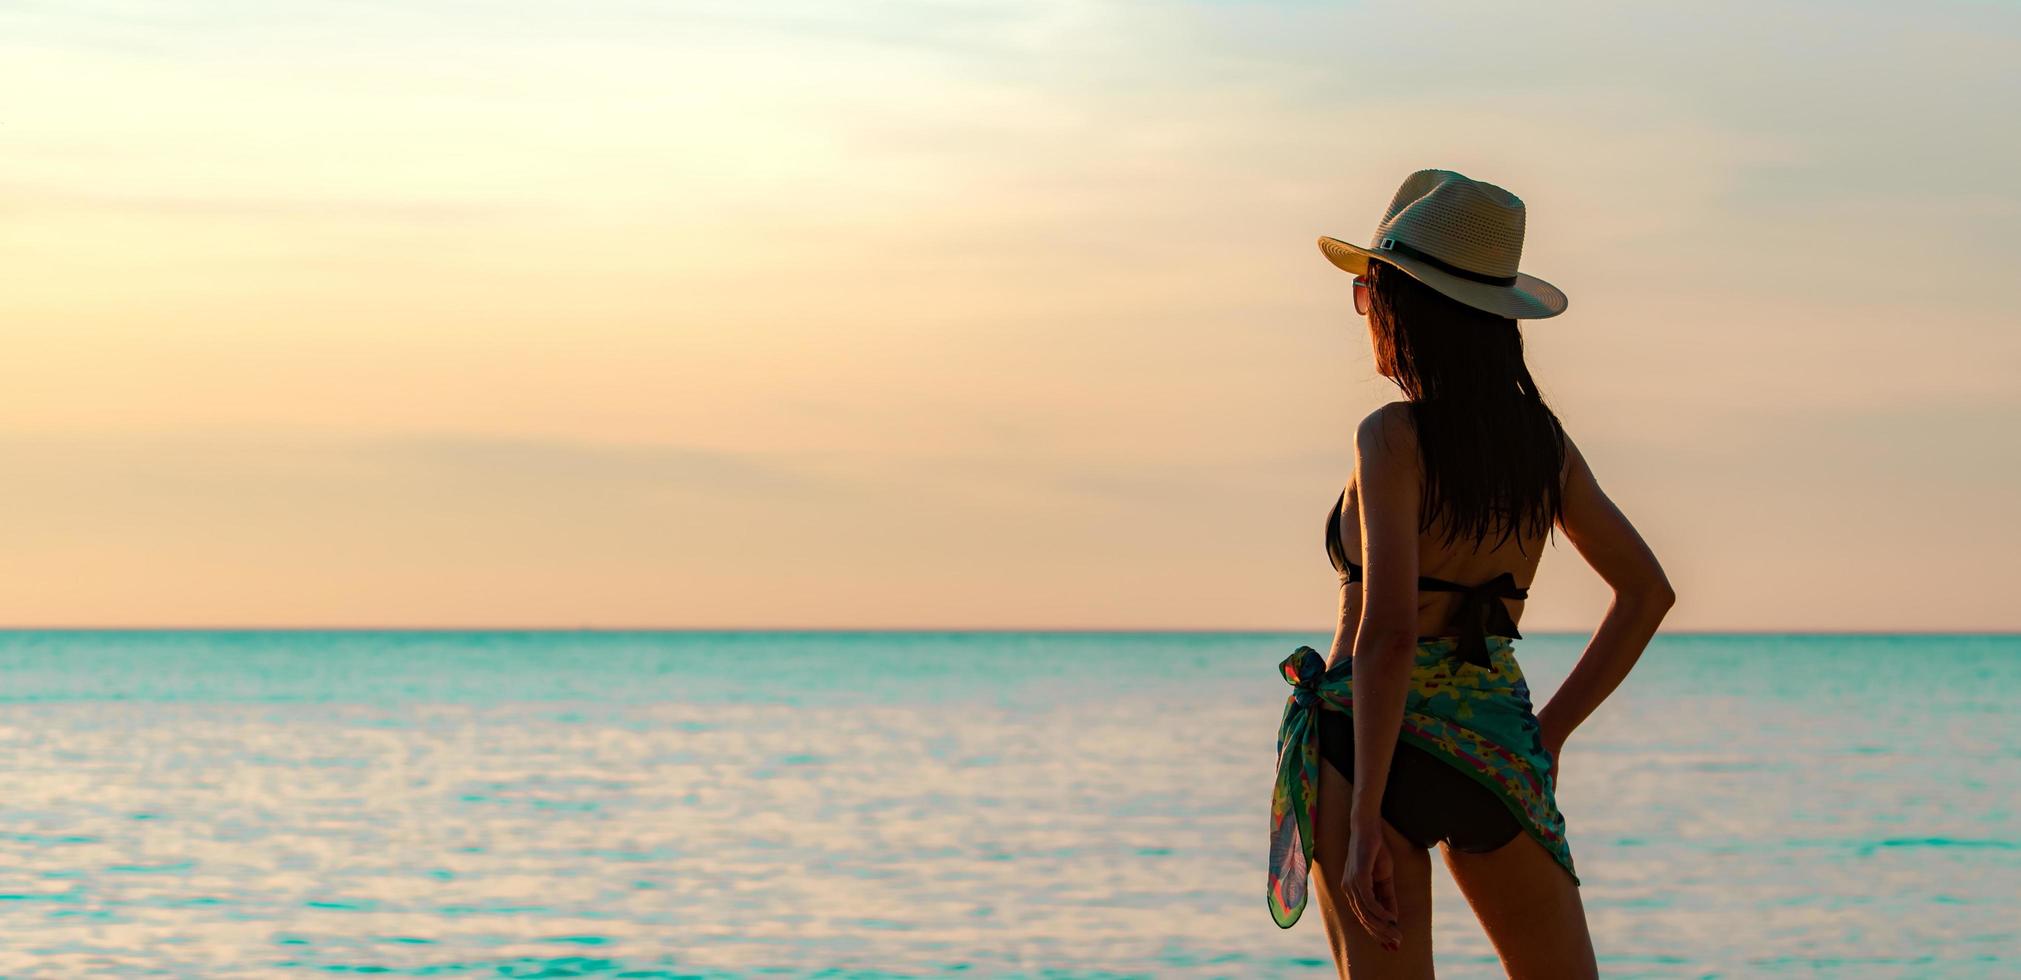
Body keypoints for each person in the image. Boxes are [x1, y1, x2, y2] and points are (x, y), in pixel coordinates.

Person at [1265, 169, 1676, 978]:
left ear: (1404, 308)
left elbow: (1385, 635)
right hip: (1492, 742)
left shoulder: (1390, 437)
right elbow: (1646, 593)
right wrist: (1547, 735)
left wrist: (1366, 823)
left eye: (1368, 294)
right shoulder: (1540, 448)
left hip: (1364, 745)